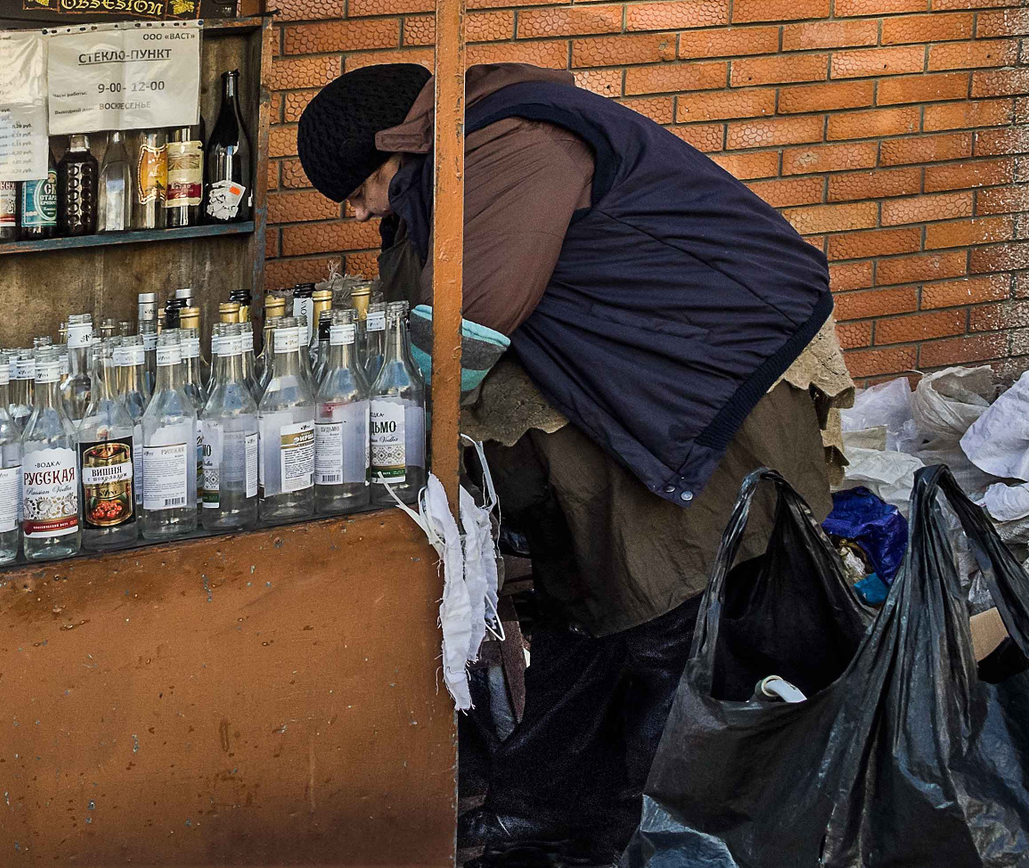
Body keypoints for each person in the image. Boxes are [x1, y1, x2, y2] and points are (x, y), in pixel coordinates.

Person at [296, 61, 854, 868]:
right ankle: (550, 813)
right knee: (590, 613)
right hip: (633, 389)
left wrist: (378, 419)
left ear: (397, 147)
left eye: (359, 191)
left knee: (666, 619)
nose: (356, 213)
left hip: (708, 389)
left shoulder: (514, 144)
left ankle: (669, 832)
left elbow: (463, 328)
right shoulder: (452, 163)